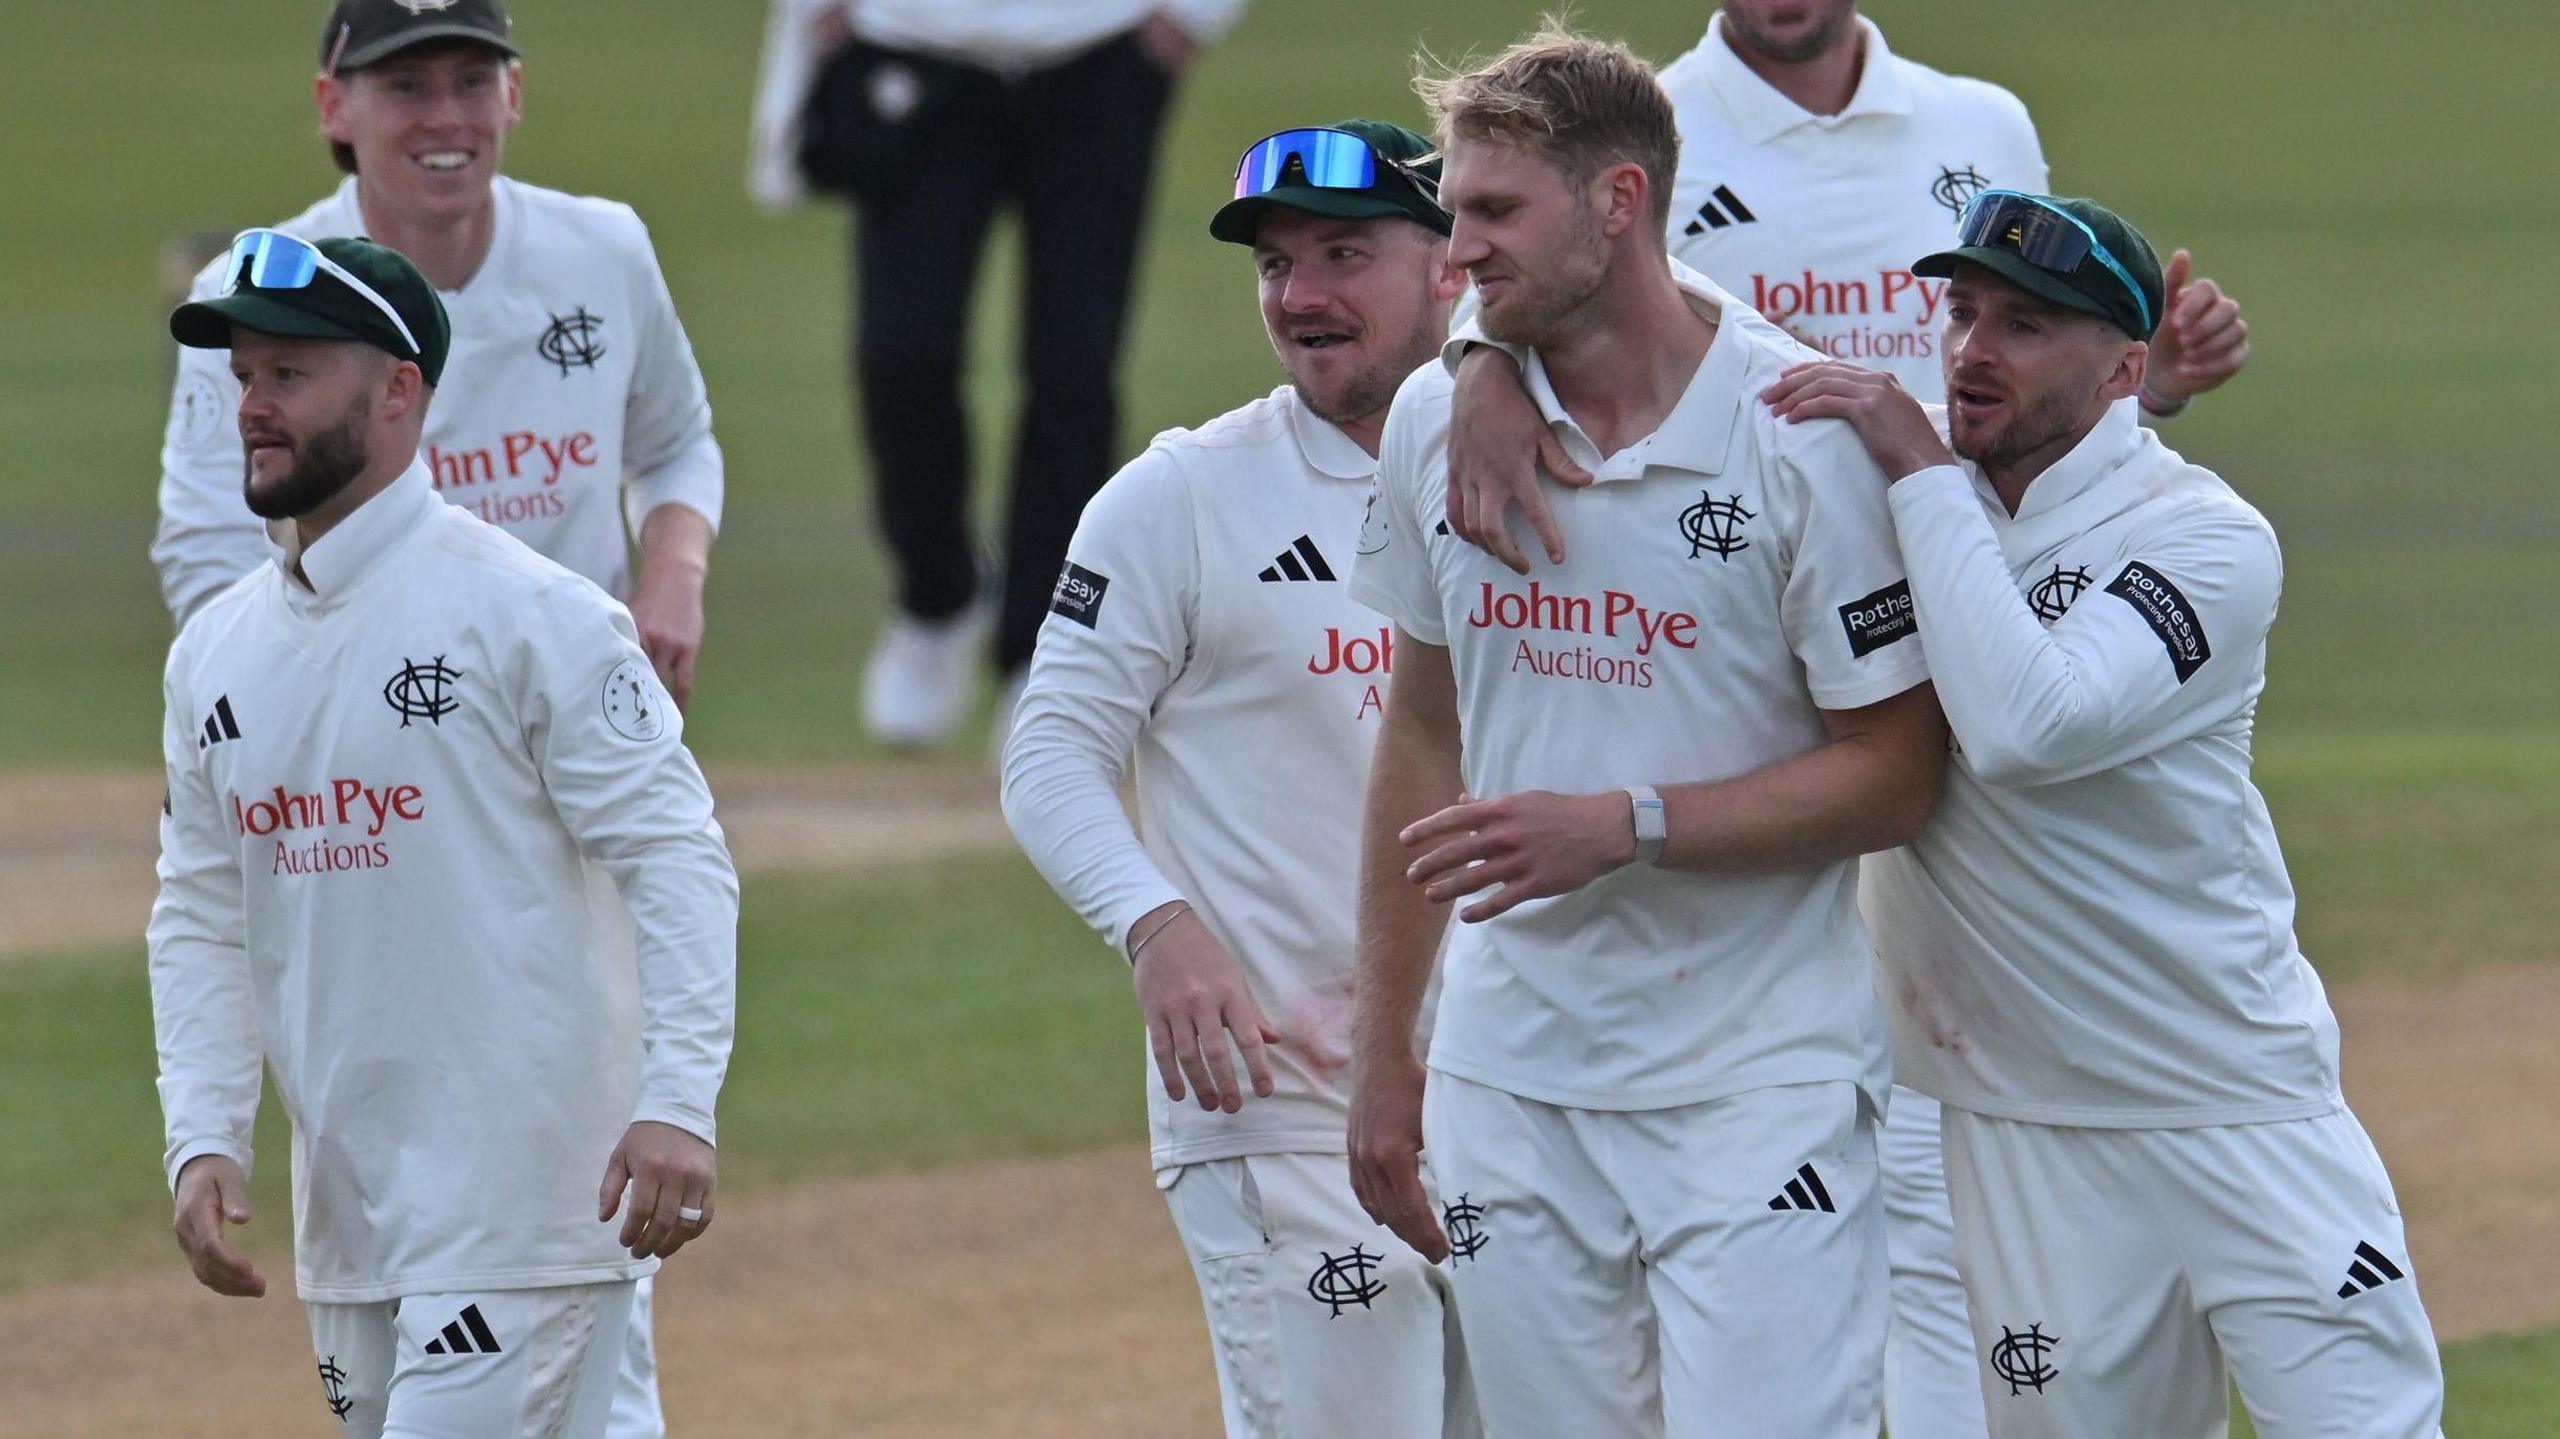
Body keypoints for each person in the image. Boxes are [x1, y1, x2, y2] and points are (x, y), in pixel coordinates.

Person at [1431, 6, 2250, 1430]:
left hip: (1950, 676)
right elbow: (1539, 271)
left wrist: (2141, 393)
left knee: (1934, 1212)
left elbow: (2022, 346)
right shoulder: (1649, 114)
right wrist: (1476, 368)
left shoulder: (1978, 123)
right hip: (1755, 681)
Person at [1753, 193, 2444, 1436]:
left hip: (2230, 1100)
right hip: (2020, 1126)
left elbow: (2031, 727)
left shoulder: (2204, 537)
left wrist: (1915, 466)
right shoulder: (1898, 509)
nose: (1970, 348)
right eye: (1961, 311)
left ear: (2125, 368)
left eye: (2024, 324)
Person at [1346, 26, 1948, 1436]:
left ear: (1619, 202)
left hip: (1757, 1083)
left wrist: (1629, 824)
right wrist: (1386, 1049)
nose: (1458, 252)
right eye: (1455, 212)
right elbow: (1421, 733)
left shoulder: (1797, 438)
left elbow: (1899, 772)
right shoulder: (1440, 414)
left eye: (1496, 213)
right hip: (1511, 1082)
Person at [150, 6, 727, 1425]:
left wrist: (677, 1098)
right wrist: (204, 1131)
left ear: (400, 394)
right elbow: (200, 905)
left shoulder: (539, 617)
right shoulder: (219, 652)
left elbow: (680, 855)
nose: (253, 407)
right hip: (353, 1209)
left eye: (291, 373)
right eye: (245, 376)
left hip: (527, 1203)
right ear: (337, 105)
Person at [1001, 120, 1476, 1438]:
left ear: (1454, 267)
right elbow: (1050, 752)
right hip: (1279, 1095)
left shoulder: (1544, 471)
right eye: (1275, 265)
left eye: (1343, 252)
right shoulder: (1183, 497)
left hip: (1516, 1081)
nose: (1302, 295)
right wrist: (1156, 923)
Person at [154, 0, 725, 720]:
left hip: (578, 700)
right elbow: (210, 552)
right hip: (358, 718)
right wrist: (270, 713)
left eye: (472, 81)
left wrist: (676, 573)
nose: (446, 116)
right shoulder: (250, 302)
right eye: (406, 86)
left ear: (512, 95)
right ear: (334, 107)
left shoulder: (605, 253)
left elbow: (675, 446)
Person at [748, 0, 1249, 749]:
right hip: (912, 39)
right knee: (900, 354)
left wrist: (1193, 16)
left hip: (1101, 46)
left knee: (1074, 367)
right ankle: (937, 595)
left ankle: (1039, 650)